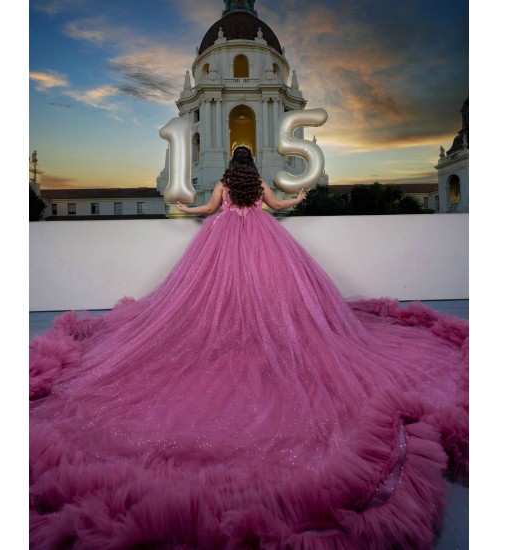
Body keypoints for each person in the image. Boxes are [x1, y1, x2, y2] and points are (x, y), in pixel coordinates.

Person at [30, 146, 468, 549]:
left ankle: (232, 334)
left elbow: (205, 209)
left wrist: (186, 208)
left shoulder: (224, 186)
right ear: (252, 169)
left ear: (229, 170)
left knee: (214, 301)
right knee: (270, 298)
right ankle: (262, 335)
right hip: (264, 240)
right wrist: (297, 200)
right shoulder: (258, 187)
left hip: (221, 242)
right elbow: (279, 206)